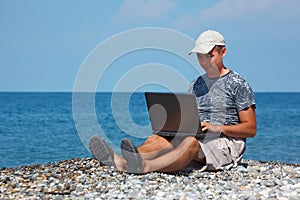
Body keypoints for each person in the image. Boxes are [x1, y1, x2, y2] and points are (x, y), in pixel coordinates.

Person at [89, 29, 257, 173]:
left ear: (223, 52)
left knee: (190, 142)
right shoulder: (196, 84)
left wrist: (216, 127)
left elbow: (250, 129)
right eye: (200, 56)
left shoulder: (237, 84)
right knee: (156, 139)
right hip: (199, 138)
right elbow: (191, 118)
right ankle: (122, 162)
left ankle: (146, 166)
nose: (204, 61)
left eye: (209, 56)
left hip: (226, 144)